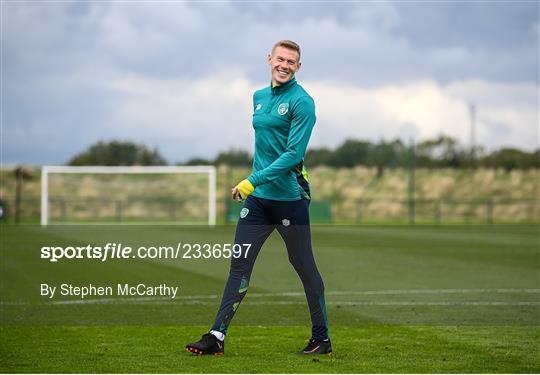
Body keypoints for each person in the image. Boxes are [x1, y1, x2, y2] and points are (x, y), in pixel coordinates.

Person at [186, 40, 331, 355]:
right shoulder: (259, 97)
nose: (284, 65)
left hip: (290, 199)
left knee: (304, 266)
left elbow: (293, 155)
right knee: (239, 265)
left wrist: (251, 181)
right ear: (269, 59)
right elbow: (265, 148)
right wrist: (255, 185)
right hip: (258, 201)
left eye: (291, 62)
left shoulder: (303, 102)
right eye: (280, 59)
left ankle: (322, 338)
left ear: (298, 67)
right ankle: (216, 336)